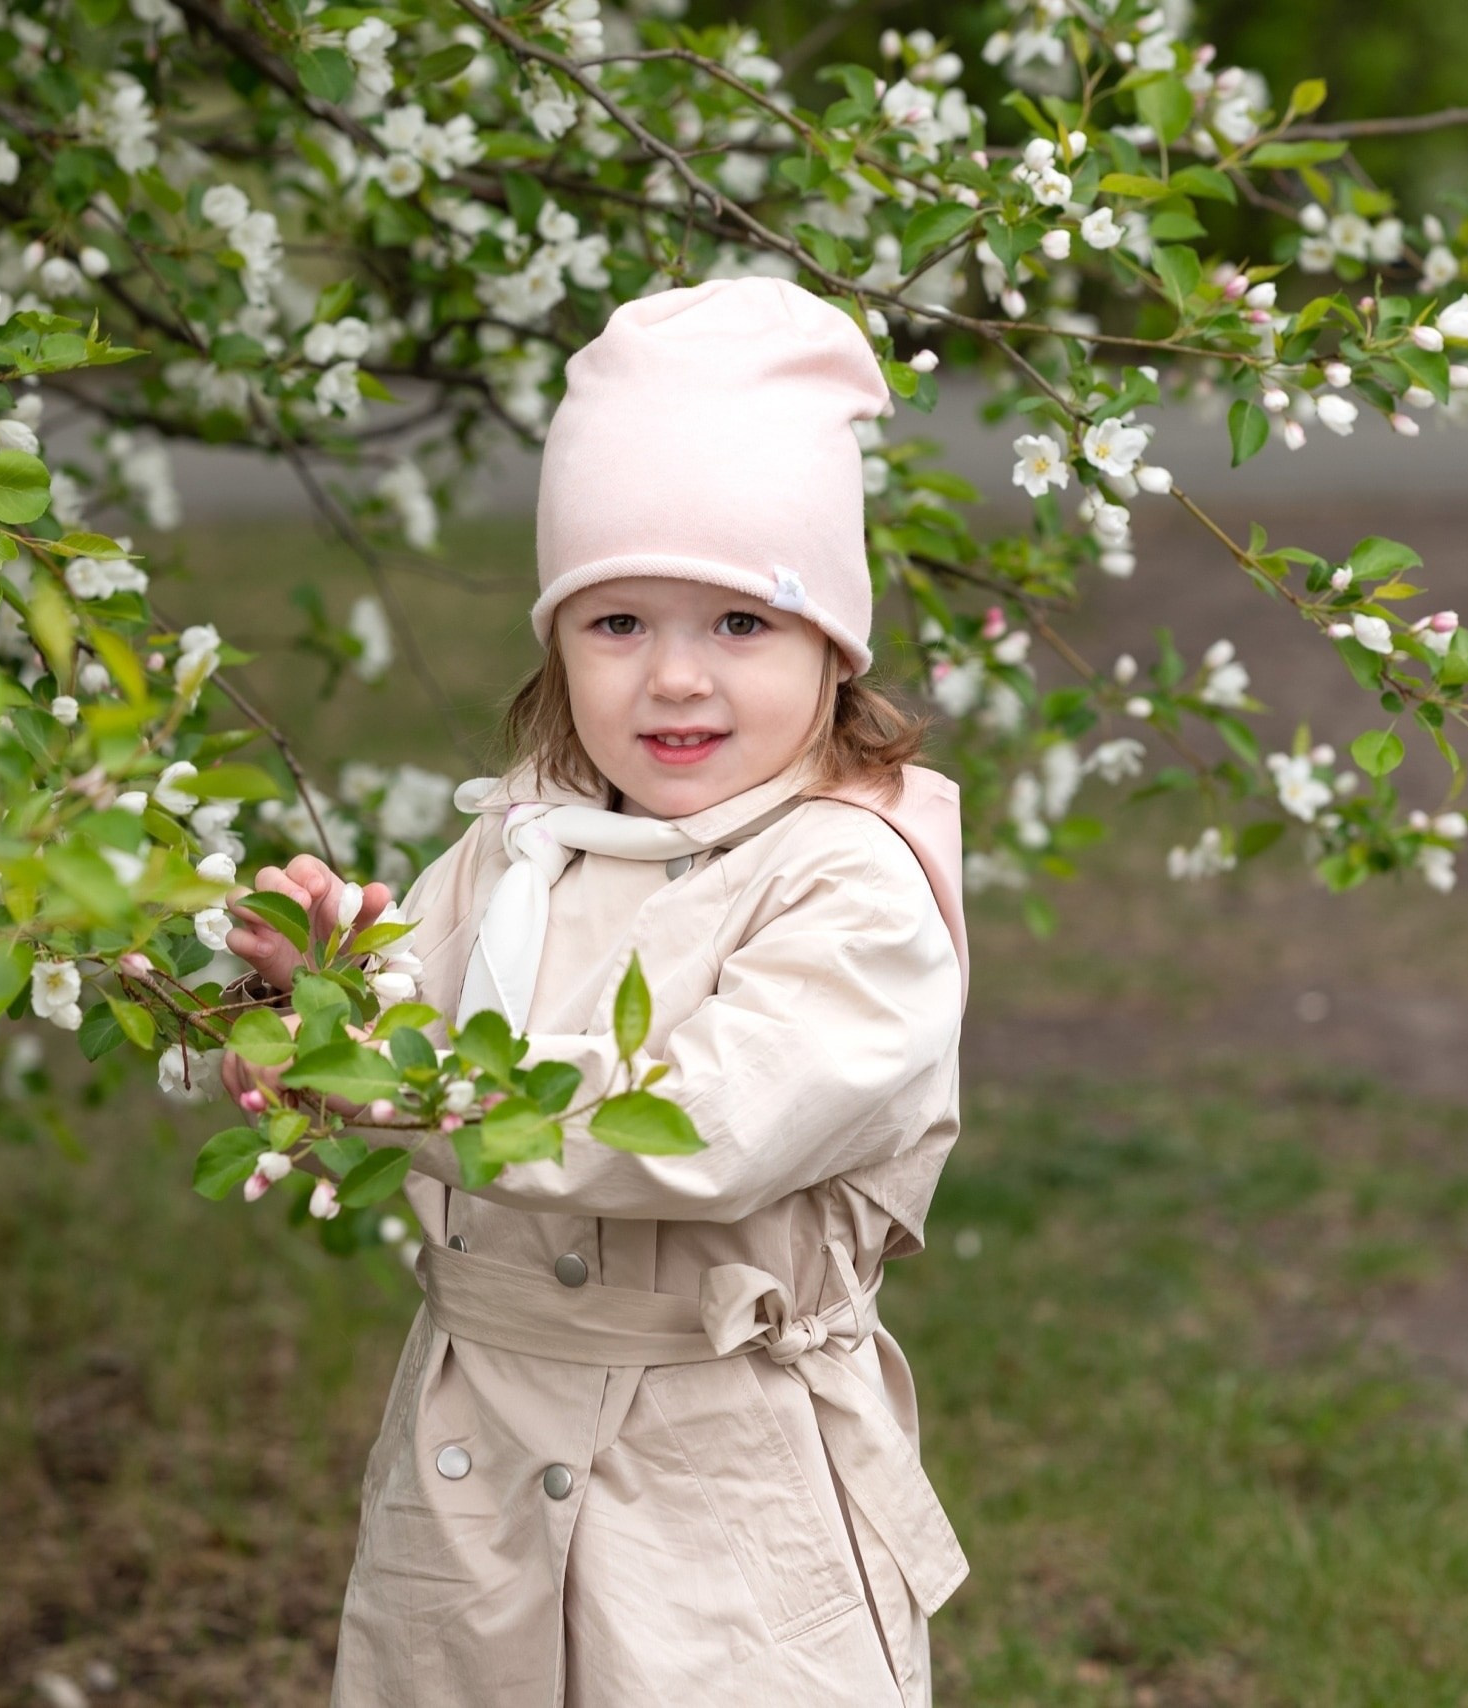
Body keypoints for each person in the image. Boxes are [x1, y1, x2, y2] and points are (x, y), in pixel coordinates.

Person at [220, 276, 974, 1706]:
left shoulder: (854, 889)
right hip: (475, 1473)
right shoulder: (522, 845)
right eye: (617, 621)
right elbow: (375, 1023)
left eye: (742, 624)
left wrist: (391, 1068)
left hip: (722, 1498)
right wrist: (297, 1000)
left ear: (835, 643)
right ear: (556, 643)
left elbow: (698, 1124)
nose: (675, 679)